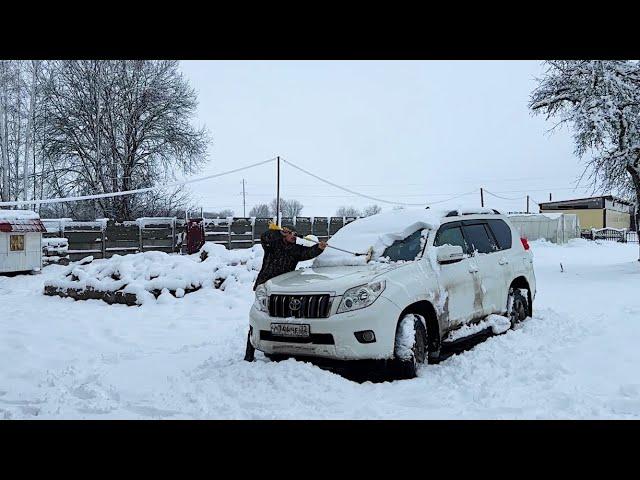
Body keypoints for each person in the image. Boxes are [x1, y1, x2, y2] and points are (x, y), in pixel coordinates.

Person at [244, 222, 327, 361]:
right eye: (291, 233)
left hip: (284, 288)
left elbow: (307, 253)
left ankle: (280, 348)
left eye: (295, 234)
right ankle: (249, 354)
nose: (294, 236)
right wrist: (278, 232)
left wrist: (319, 248)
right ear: (284, 234)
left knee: (282, 319)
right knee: (260, 317)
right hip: (266, 286)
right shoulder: (273, 245)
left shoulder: (295, 249)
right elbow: (265, 238)